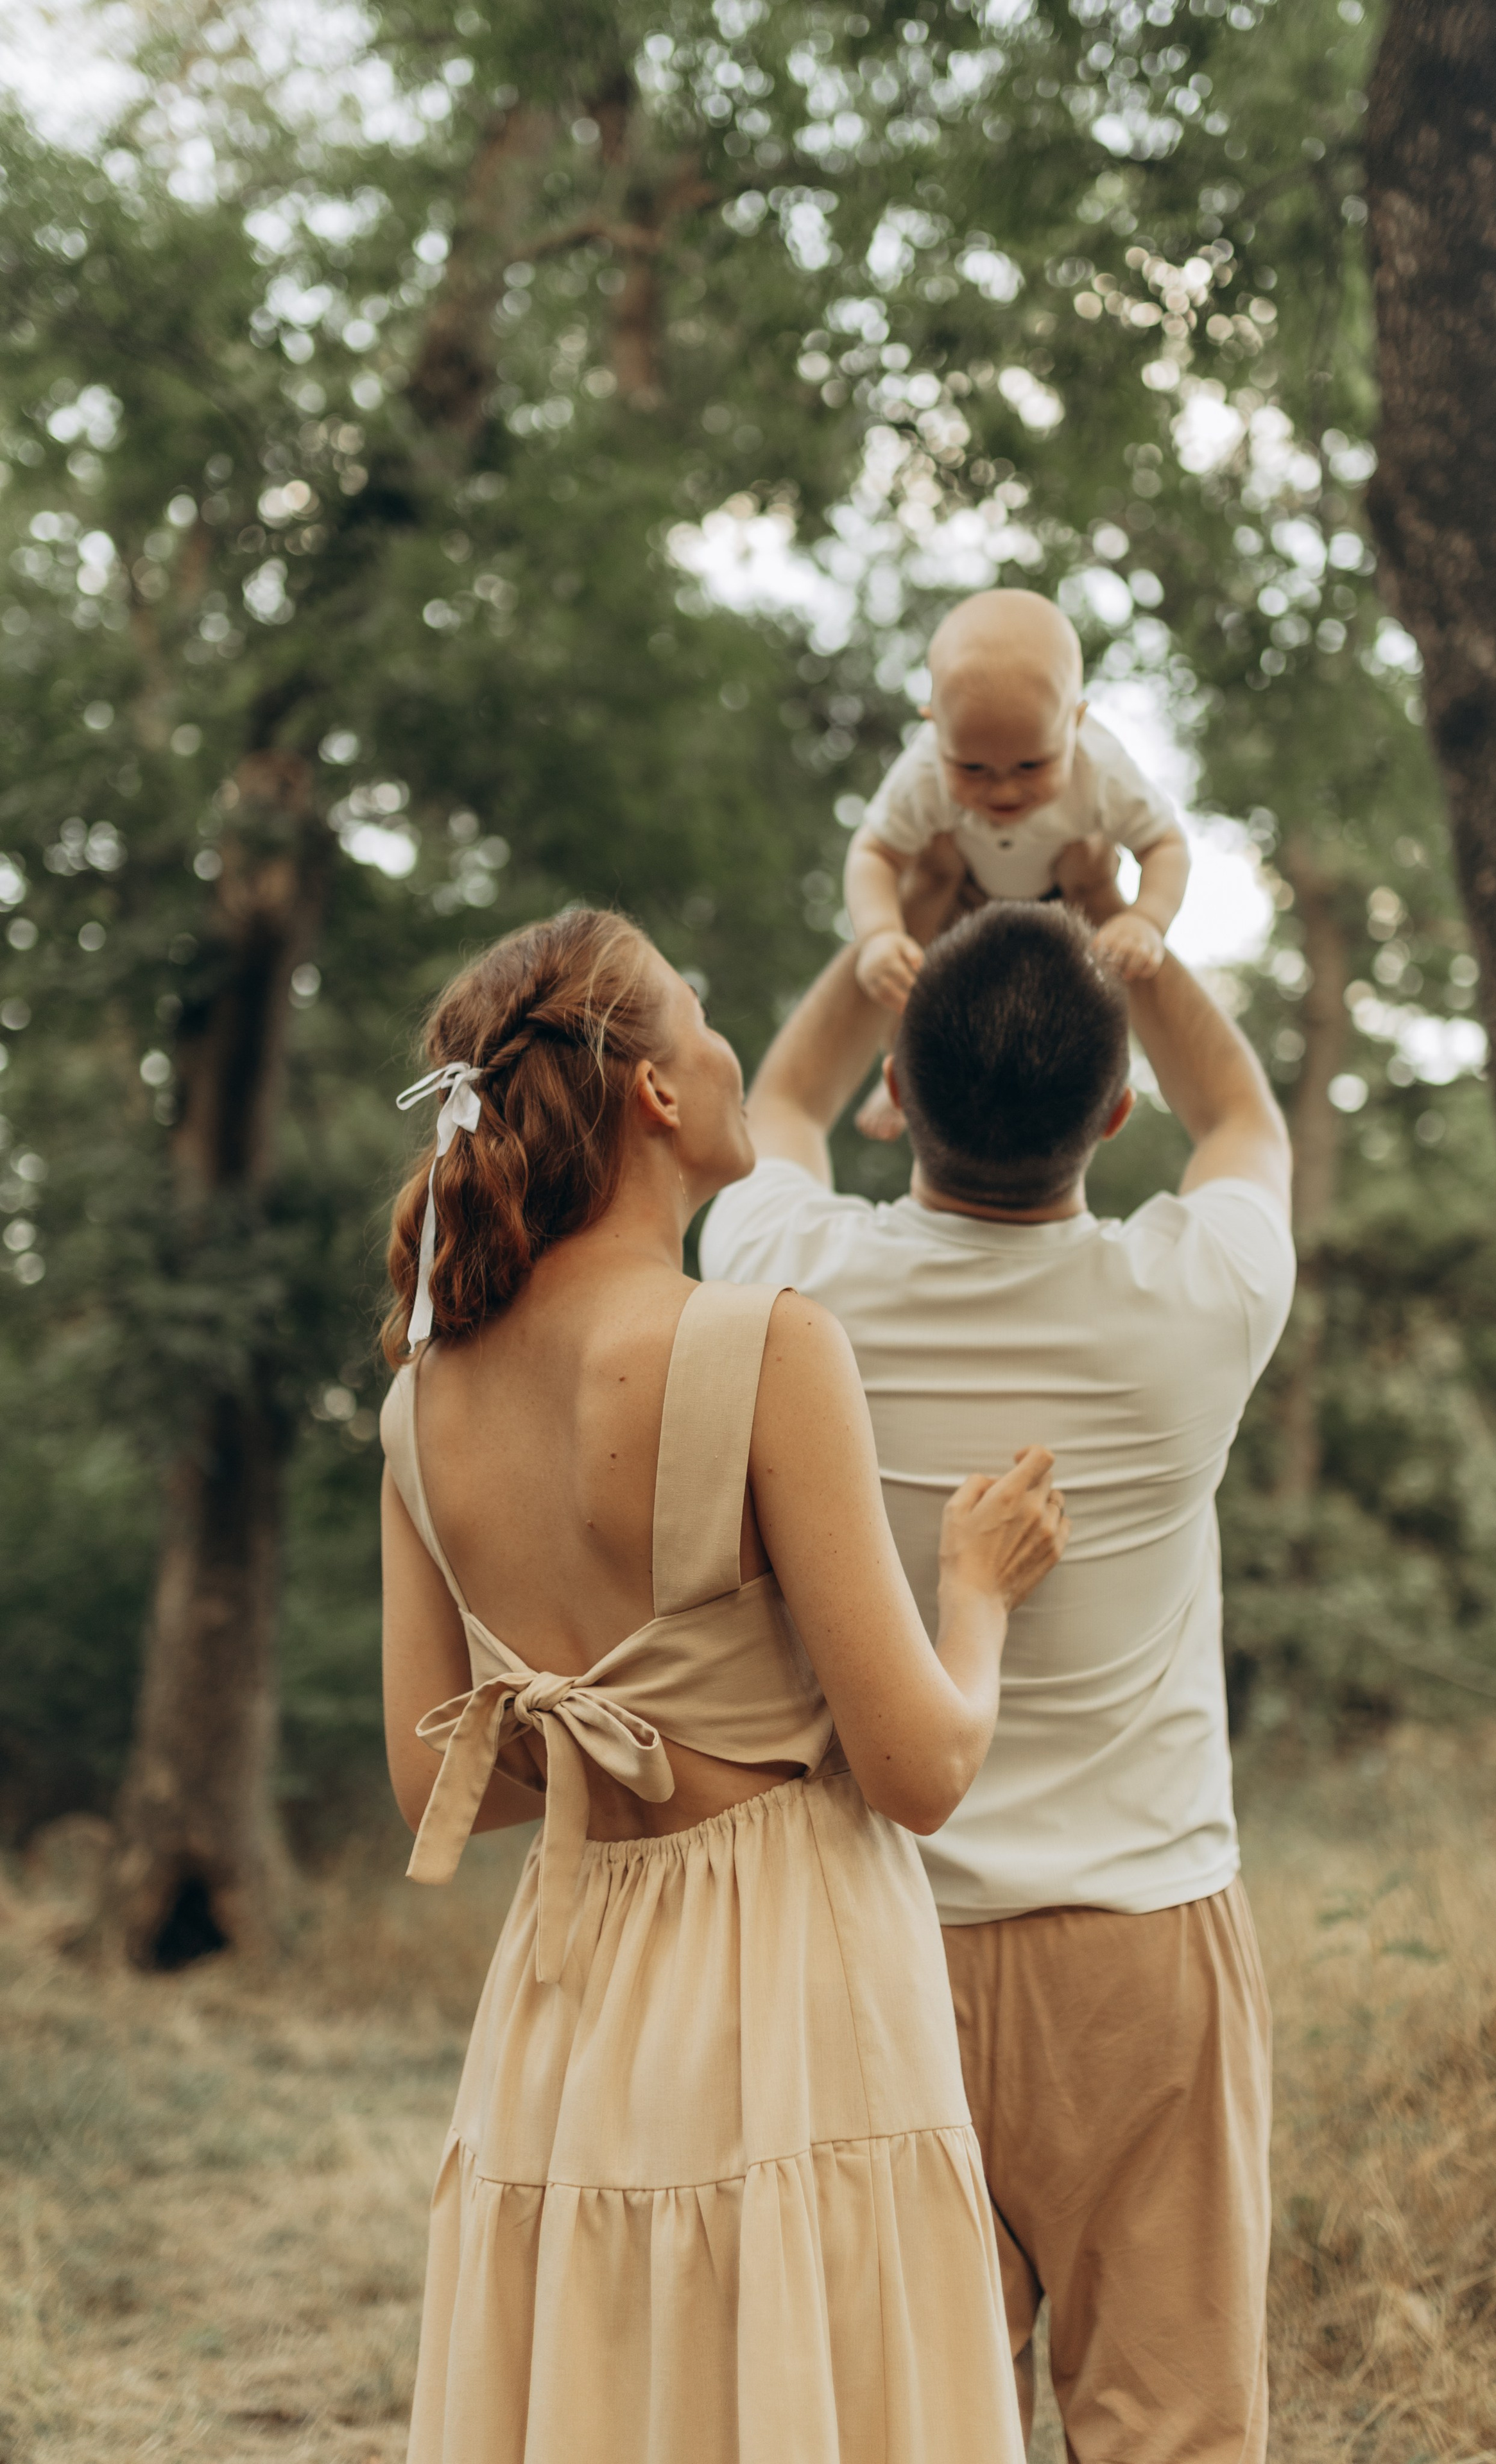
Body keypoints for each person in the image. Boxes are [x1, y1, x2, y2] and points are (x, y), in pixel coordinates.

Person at [377, 908, 1070, 2464]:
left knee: (610, 2393)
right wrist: (976, 1593)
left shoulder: (422, 1407)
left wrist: (588, 1711)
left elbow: (438, 1787)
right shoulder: (759, 1343)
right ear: (657, 1095)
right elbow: (920, 1769)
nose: (727, 1044)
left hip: (568, 1994)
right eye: (700, 1017)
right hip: (789, 1979)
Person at [700, 890, 1294, 2464]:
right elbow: (1238, 1113)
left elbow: (776, 1104)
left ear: (899, 1089)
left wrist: (880, 921)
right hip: (1142, 1949)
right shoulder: (1192, 1308)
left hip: (880, 1942)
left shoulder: (787, 1292)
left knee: (904, 2424)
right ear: (1112, 1110)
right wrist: (1132, 945)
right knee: (1172, 2429)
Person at [843, 588, 1189, 1137]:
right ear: (934, 727)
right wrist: (879, 935)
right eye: (973, 767)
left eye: (1031, 764)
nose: (1003, 788)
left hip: (1065, 899)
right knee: (912, 979)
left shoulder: (1103, 770)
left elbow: (1164, 845)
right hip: (963, 896)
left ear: (1075, 723)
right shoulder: (922, 771)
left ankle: (1103, 1089)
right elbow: (875, 853)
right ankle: (904, 1075)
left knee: (1104, 986)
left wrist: (1147, 919)